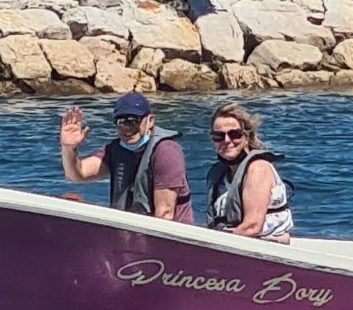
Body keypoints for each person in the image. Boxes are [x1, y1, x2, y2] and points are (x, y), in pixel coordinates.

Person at [59, 92, 195, 224]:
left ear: (150, 121)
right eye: (121, 122)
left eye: (133, 121)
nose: (127, 129)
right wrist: (69, 148)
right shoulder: (115, 150)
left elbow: (165, 214)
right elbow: (77, 175)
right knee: (70, 198)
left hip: (166, 234)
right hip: (129, 230)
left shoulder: (166, 151)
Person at [205, 102, 293, 244]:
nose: (227, 140)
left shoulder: (258, 169)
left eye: (234, 134)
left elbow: (252, 227)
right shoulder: (218, 175)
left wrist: (213, 246)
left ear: (246, 138)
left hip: (260, 248)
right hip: (231, 242)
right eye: (218, 136)